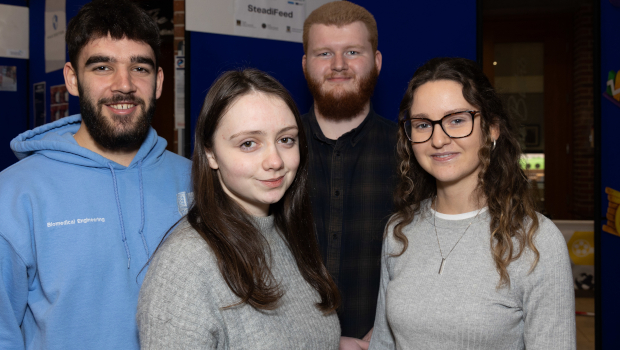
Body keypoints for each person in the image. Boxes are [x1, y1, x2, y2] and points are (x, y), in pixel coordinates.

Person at [0, 1, 192, 349]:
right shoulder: (14, 194)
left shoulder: (196, 183)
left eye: (141, 68)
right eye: (103, 67)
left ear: (159, 81)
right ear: (73, 79)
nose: (124, 85)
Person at [369, 57, 575, 349]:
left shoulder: (536, 241)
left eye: (457, 120)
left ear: (491, 128)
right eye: (423, 124)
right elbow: (383, 344)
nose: (438, 139)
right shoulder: (399, 231)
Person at [136, 69, 341, 349]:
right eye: (248, 144)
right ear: (210, 153)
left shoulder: (288, 233)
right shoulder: (185, 265)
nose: (275, 160)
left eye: (286, 139)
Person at [301, 1, 398, 339]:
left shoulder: (414, 152)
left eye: (353, 52)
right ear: (305, 65)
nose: (338, 66)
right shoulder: (274, 152)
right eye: (324, 53)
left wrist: (387, 333)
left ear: (377, 62)